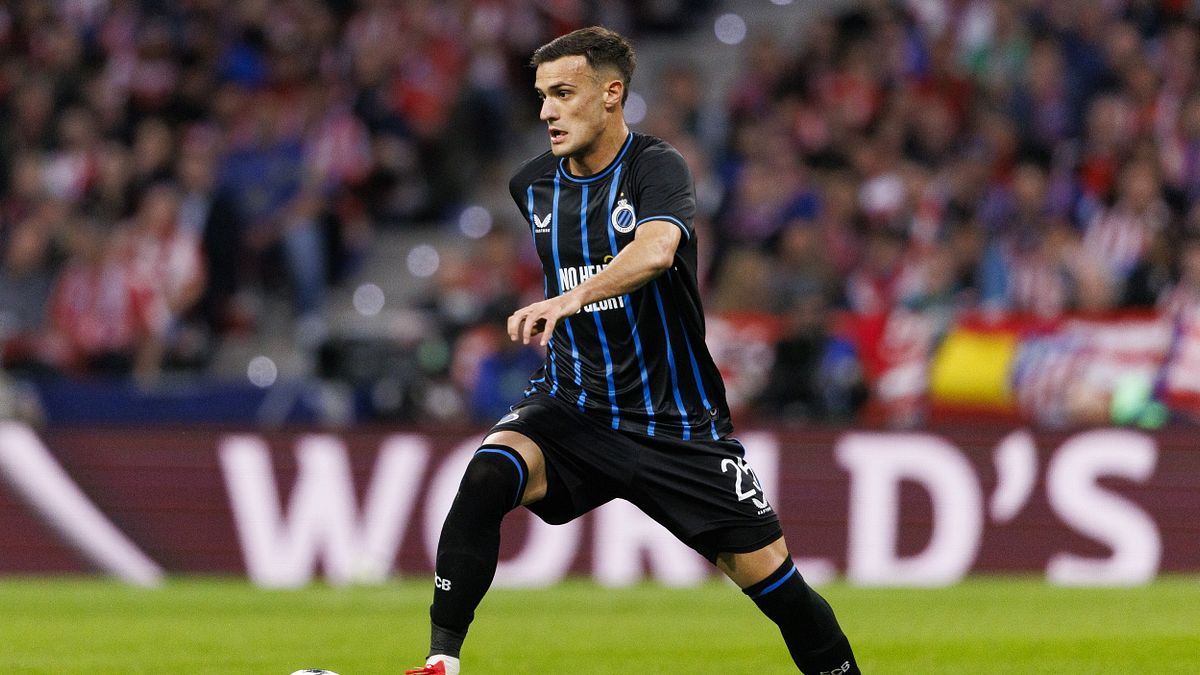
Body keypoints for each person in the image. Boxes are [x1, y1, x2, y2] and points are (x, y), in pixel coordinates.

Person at [407, 27, 860, 675]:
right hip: (573, 406)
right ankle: (440, 661)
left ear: (611, 93)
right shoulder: (532, 185)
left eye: (564, 94)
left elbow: (656, 251)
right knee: (486, 475)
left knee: (779, 589)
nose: (547, 111)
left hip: (676, 424)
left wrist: (571, 298)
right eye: (542, 96)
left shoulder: (656, 167)